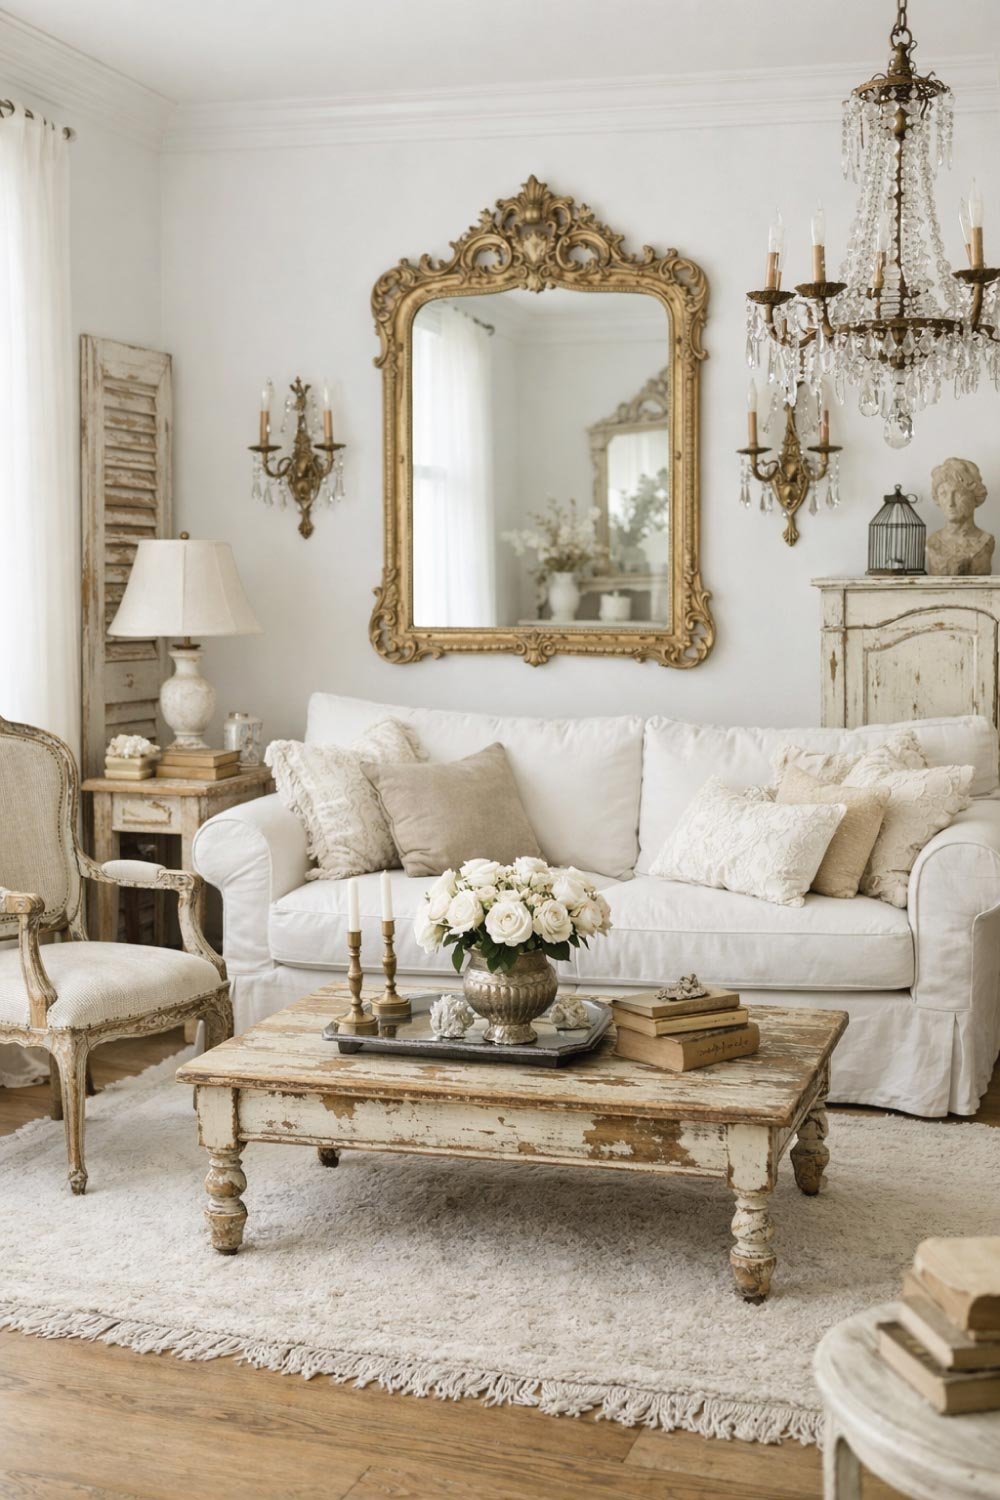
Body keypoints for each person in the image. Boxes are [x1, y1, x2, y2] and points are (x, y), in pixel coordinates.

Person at [927, 457, 995, 576]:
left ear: (975, 496)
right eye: (943, 494)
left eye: (958, 493)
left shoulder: (985, 541)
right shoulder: (933, 542)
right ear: (937, 498)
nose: (950, 503)